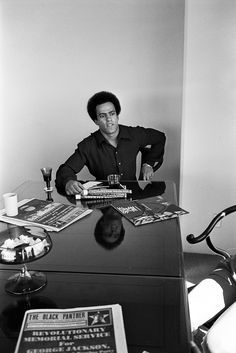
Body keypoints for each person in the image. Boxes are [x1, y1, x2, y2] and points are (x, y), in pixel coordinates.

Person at [55, 91, 166, 195]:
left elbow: (159, 138)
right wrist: (68, 182)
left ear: (117, 116)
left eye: (112, 113)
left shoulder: (134, 134)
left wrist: (148, 164)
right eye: (102, 116)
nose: (109, 119)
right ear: (96, 121)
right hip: (104, 201)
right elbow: (66, 169)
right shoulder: (87, 145)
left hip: (134, 196)